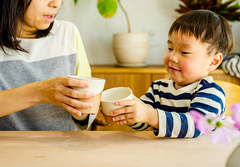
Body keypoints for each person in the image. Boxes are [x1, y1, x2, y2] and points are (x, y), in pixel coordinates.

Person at [107, 10, 234, 138]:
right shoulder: (158, 88)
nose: (172, 57)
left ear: (213, 61)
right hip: (165, 155)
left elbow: (194, 126)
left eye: (184, 52)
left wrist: (150, 115)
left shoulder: (211, 93)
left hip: (201, 156)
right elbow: (144, 123)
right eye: (170, 48)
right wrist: (128, 113)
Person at [0, 0, 97, 130]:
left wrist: (84, 109)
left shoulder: (68, 33)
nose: (56, 4)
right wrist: (40, 92)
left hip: (62, 147)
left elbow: (86, 116)